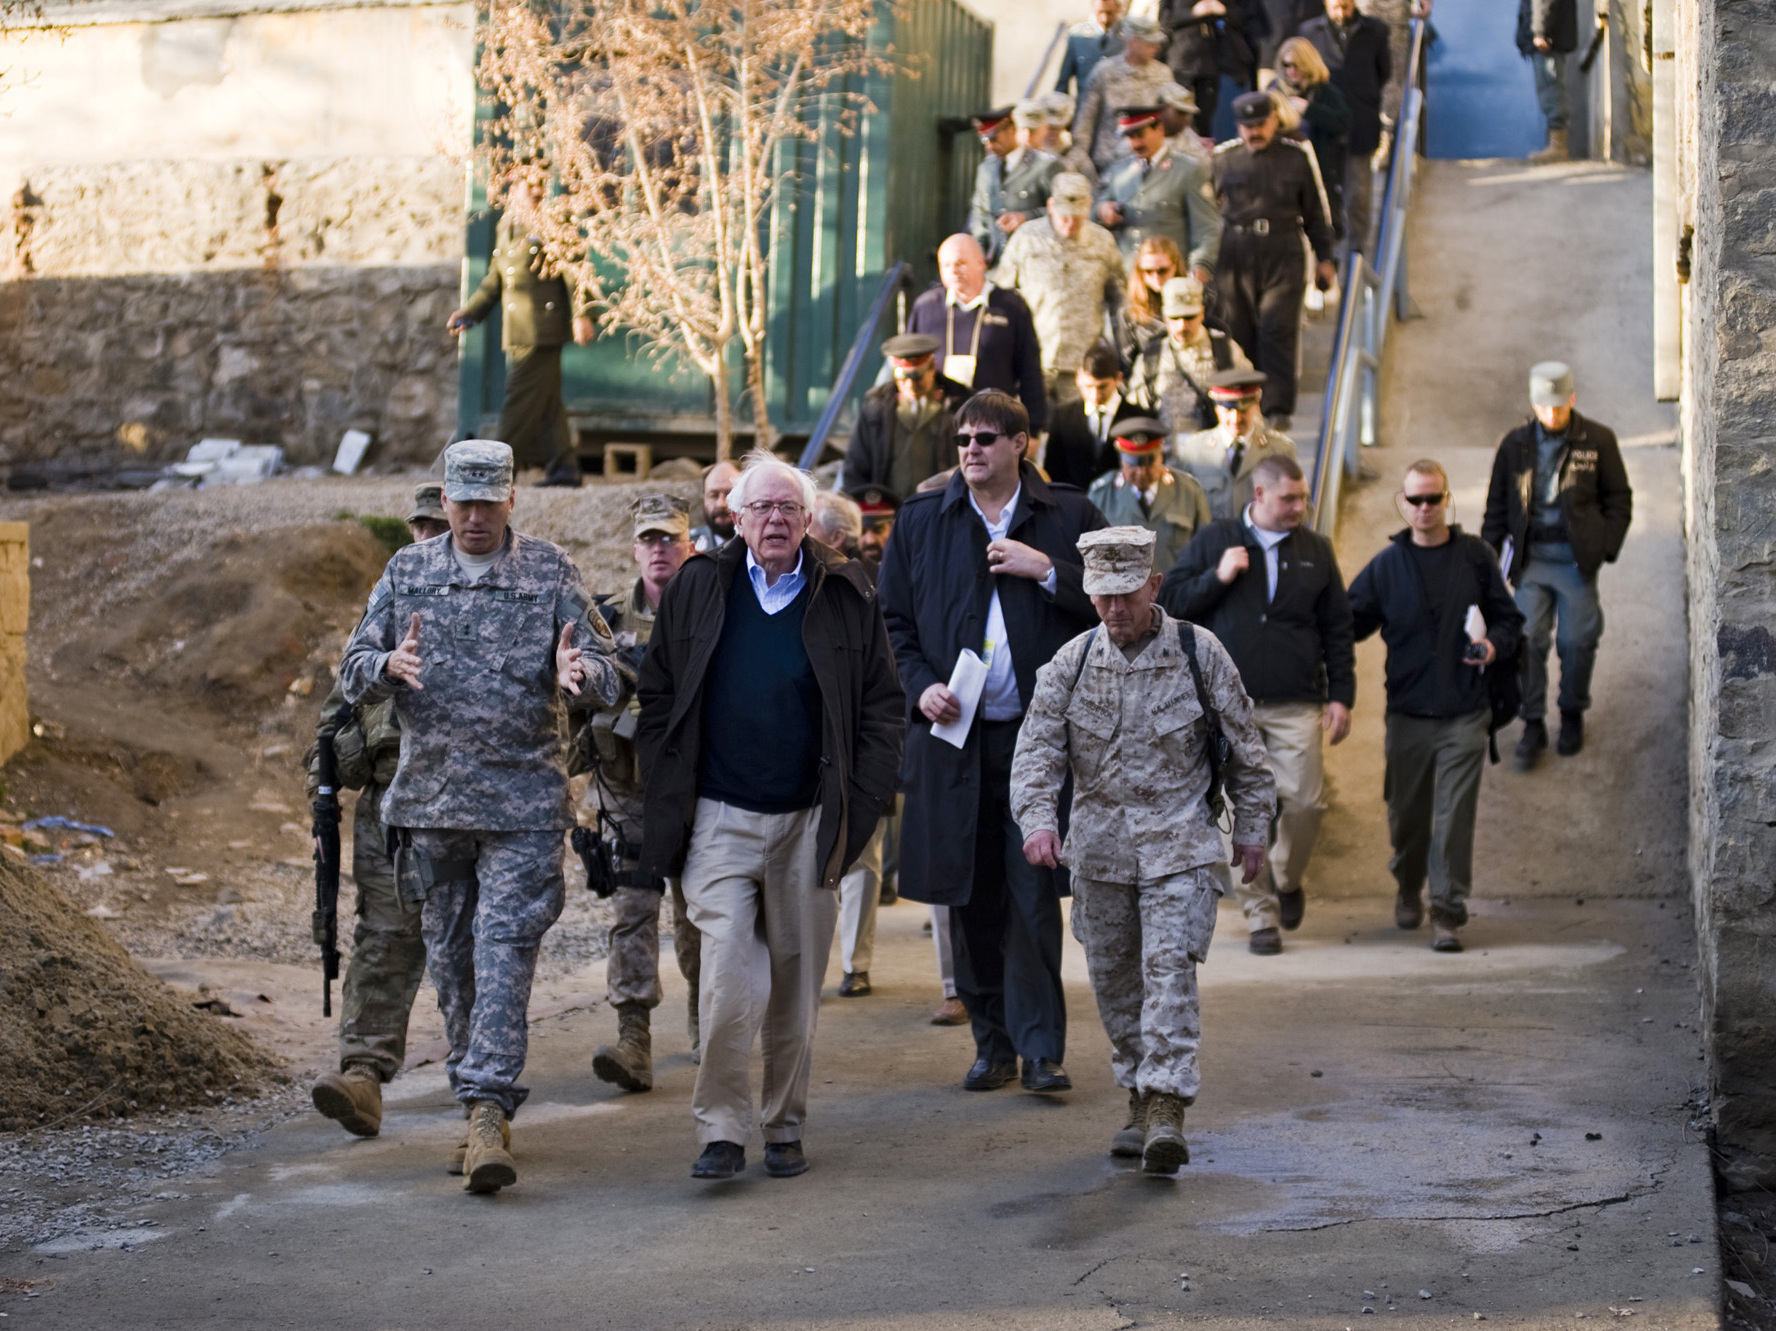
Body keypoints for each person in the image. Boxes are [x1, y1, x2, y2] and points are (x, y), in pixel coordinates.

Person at [338, 439, 621, 1193]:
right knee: (454, 962)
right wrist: (384, 667)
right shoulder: (409, 570)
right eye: (460, 501)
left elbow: (609, 668)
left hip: (522, 805)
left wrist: (578, 673)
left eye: (486, 502)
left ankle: (490, 1107)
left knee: (503, 952)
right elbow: (351, 665)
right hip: (431, 806)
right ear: (446, 500)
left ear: (511, 500)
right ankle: (475, 1100)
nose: (471, 516)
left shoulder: (550, 571)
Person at [637, 451, 905, 1181]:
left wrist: (865, 804)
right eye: (762, 508)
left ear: (808, 517)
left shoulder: (846, 592)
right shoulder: (700, 584)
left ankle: (784, 1124)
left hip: (808, 823)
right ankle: (722, 1129)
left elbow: (884, 708)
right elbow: (657, 691)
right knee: (729, 978)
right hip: (718, 820)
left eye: (789, 507)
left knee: (794, 987)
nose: (776, 519)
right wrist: (665, 785)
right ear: (736, 516)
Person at [1011, 526, 1275, 1173]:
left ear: (1154, 586)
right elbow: (1037, 752)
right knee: (1116, 985)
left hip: (1179, 848)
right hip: (1099, 856)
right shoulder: (1071, 662)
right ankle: (1137, 1090)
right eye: (1101, 597)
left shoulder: (1198, 651)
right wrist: (1038, 822)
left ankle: (1165, 1107)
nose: (1113, 610)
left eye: (1126, 595)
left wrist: (1252, 827)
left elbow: (1248, 748)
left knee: (1168, 977)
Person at [876, 389, 1107, 1098]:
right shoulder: (921, 521)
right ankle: (993, 1041)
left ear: (1021, 444)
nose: (971, 449)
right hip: (953, 740)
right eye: (963, 440)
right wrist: (918, 685)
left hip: (1039, 740)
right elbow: (890, 622)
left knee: (1032, 892)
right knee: (966, 890)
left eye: (986, 437)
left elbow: (1119, 599)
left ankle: (1041, 1048)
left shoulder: (1068, 514)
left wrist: (1048, 572)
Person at [1161, 454, 1355, 953]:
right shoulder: (1216, 540)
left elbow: (1337, 628)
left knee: (1306, 802)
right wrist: (1218, 577)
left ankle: (1287, 879)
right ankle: (1260, 915)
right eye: (1290, 498)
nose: (1300, 507)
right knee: (1243, 812)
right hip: (1231, 704)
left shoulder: (1316, 549)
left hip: (1296, 700)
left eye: (1303, 498)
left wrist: (1342, 696)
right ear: (1260, 496)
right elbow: (1174, 604)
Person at [306, 482, 450, 1139]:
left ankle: (484, 1089)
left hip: (459, 809)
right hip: (385, 813)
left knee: (466, 946)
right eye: (417, 528)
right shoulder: (381, 615)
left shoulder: (486, 609)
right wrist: (322, 793)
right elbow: (338, 708)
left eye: (435, 527)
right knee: (382, 938)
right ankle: (362, 1073)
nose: (424, 538)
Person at [1348, 460, 1524, 953]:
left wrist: (1493, 647)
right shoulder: (1387, 565)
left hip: (1465, 711)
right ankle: (1408, 884)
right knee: (1406, 814)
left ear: (1447, 500)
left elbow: (1510, 620)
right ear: (1402, 504)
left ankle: (1446, 910)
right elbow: (1347, 620)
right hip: (1407, 713)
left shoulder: (1474, 558)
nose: (1424, 508)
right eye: (1415, 500)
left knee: (1453, 815)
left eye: (1433, 499)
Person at [582, 494, 705, 1094]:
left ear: (689, 546)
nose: (659, 550)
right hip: (627, 793)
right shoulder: (602, 619)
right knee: (632, 912)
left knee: (699, 917)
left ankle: (708, 1019)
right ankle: (634, 1038)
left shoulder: (713, 611)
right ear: (634, 549)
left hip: (696, 792)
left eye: (670, 540)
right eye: (649, 540)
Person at [1480, 362, 1632, 766]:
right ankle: (1532, 721)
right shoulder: (1514, 446)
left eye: (1560, 406)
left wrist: (1604, 547)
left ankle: (1571, 712)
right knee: (1527, 639)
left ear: (1573, 399)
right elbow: (1496, 508)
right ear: (1533, 403)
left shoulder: (1596, 440)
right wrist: (1485, 560)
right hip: (1531, 561)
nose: (1552, 414)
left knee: (1578, 640)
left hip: (1575, 561)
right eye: (1545, 407)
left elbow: (1619, 499)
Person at [447, 182, 595, 487]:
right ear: (513, 189)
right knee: (547, 402)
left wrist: (583, 313)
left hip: (543, 329)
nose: (536, 191)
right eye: (527, 185)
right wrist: (470, 313)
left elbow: (576, 270)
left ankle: (495, 471)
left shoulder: (553, 221)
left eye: (540, 184)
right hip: (518, 330)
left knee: (518, 403)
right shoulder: (508, 225)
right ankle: (564, 467)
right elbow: (495, 278)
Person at [1210, 91, 1336, 426]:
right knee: (1238, 329)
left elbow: (1315, 210)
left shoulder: (1295, 157)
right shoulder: (1224, 159)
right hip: (1236, 251)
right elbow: (1208, 211)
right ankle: (1242, 401)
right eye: (1247, 125)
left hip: (1283, 249)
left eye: (1260, 123)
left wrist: (1325, 257)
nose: (1254, 131)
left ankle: (1277, 408)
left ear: (1274, 120)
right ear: (1238, 126)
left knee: (1278, 328)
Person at [994, 173, 1127, 410]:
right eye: (1064, 216)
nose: (1070, 223)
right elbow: (1003, 298)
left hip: (1081, 364)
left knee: (1074, 437)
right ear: (1050, 206)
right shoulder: (1026, 238)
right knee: (1030, 430)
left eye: (1077, 217)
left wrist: (1119, 352)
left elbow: (1121, 300)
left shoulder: (1102, 242)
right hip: (1034, 359)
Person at [908, 235, 1048, 433]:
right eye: (945, 265)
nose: (953, 271)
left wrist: (1033, 428)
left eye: (960, 263)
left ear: (981, 263)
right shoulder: (926, 306)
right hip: (937, 425)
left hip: (995, 423)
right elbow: (910, 364)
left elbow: (1030, 370)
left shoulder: (1010, 306)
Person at [1299, 0, 1391, 257]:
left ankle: (1357, 250)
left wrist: (1365, 97)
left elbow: (1384, 72)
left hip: (1360, 122)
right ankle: (1331, 246)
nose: (1342, 13)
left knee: (1358, 193)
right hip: (1325, 126)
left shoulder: (1375, 31)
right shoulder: (1309, 32)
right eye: (1337, 7)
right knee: (1326, 191)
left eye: (1347, 7)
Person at [1094, 108, 1223, 274]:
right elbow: (1096, 211)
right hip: (1130, 276)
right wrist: (1103, 210)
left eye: (1140, 135)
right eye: (1129, 137)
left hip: (1170, 274)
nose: (1135, 143)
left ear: (1159, 129)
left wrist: (1201, 265)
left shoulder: (1187, 171)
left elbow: (1207, 228)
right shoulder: (1120, 172)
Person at [1128, 275, 1253, 434]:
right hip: (1164, 452)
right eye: (1175, 317)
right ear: (1165, 317)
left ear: (1201, 313)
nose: (1182, 326)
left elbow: (1250, 403)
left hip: (1215, 451)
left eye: (1189, 317)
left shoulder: (1225, 350)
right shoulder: (1150, 358)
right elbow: (1135, 413)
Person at [1086, 417, 1212, 572]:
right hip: (1124, 594)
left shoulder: (1189, 491)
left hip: (1174, 593)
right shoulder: (1101, 495)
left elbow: (1206, 551)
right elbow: (1091, 559)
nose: (1141, 472)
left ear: (1161, 456)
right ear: (1122, 461)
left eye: (1149, 463)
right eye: (1133, 464)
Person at [1265, 37, 1351, 252]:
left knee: (1325, 229)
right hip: (1279, 173)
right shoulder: (1274, 90)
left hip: (1319, 171)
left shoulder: (1325, 92)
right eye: (1286, 65)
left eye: (1296, 65)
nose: (1291, 71)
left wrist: (1310, 110)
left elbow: (1343, 122)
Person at [1174, 367, 1296, 517]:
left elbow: (1299, 507)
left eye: (1244, 411)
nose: (1236, 419)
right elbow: (1178, 509)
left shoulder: (1280, 451)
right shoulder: (1193, 451)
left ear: (1256, 404)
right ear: (1216, 407)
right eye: (1228, 411)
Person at [1074, 15, 1174, 172]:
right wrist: (1080, 157)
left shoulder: (1163, 74)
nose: (1156, 48)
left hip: (1150, 162)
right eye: (1149, 43)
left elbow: (1170, 119)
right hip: (1110, 162)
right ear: (1132, 42)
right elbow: (1085, 120)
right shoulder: (1105, 72)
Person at [1045, 341, 1146, 489]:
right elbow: (1053, 470)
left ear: (1118, 379)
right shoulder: (1063, 417)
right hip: (1075, 504)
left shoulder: (1138, 417)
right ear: (1078, 378)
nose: (1095, 394)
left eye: (1102, 387)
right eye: (1089, 386)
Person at [967, 107, 1061, 265]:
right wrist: (981, 248)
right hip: (997, 263)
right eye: (984, 140)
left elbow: (1064, 211)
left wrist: (1026, 218)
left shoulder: (1046, 166)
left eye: (993, 138)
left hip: (1036, 260)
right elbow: (980, 213)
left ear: (1011, 129)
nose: (989, 146)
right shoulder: (986, 168)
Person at [1156, 0, 1248, 136]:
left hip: (1214, 60)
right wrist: (1192, 13)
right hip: (1182, 60)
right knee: (1179, 115)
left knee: (1206, 119)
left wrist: (1223, 10)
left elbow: (1241, 16)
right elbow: (1165, 20)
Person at [1517, 0, 1578, 160]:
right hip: (1547, 39)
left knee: (1551, 89)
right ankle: (1556, 145)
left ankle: (1558, 147)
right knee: (1549, 89)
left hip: (1547, 42)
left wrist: (1540, 32)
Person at [1116, 235, 1188, 363]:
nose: (1156, 277)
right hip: (1150, 377)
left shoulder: (1196, 299)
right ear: (1140, 271)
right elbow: (1127, 362)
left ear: (1175, 266)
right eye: (1148, 271)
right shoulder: (1129, 312)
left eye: (1162, 271)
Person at [1056, 0, 1129, 97]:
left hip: (1117, 105)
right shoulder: (1078, 37)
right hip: (1085, 105)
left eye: (1109, 13)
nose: (1104, 19)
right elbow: (1063, 81)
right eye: (1100, 12)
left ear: (1119, 10)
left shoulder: (1129, 38)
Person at [1036, 92, 1102, 186]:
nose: (1051, 133)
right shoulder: (1031, 156)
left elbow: (1094, 192)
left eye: (1057, 128)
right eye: (1048, 127)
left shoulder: (1078, 159)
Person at [1157, 82, 1212, 166]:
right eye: (1181, 113)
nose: (1186, 119)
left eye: (1189, 113)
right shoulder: (1143, 136)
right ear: (1162, 109)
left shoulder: (1191, 140)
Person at [691, 460, 740, 552]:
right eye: (713, 495)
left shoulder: (762, 547)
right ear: (704, 498)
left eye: (729, 494)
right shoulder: (688, 547)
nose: (721, 504)